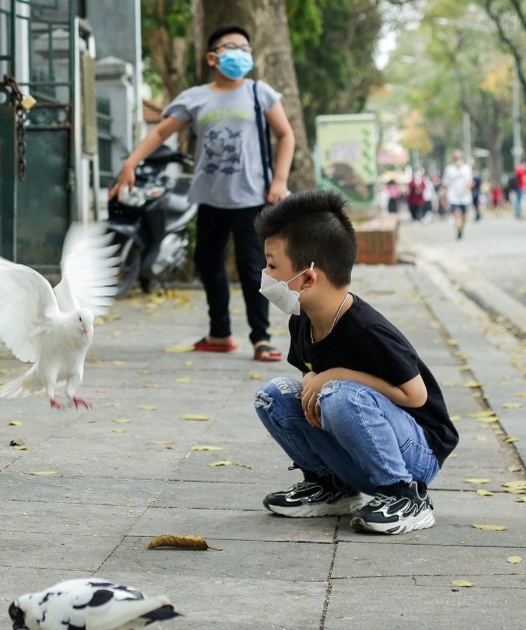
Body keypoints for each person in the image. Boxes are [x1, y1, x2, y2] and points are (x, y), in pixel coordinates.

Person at [253, 190, 457, 535]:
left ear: (308, 277)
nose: (265, 274)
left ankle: (404, 496)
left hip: (417, 452)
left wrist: (337, 375)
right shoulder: (302, 318)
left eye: (273, 265)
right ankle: (333, 485)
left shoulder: (368, 330)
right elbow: (309, 370)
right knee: (273, 395)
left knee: (338, 394)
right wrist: (314, 378)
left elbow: (416, 396)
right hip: (359, 435)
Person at [109, 25, 295, 362]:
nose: (240, 52)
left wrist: (279, 180)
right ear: (213, 57)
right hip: (210, 196)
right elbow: (161, 131)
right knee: (207, 262)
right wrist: (130, 164)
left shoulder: (259, 93)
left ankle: (261, 338)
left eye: (245, 48)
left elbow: (286, 135)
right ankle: (219, 333)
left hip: (252, 197)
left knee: (252, 265)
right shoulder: (196, 97)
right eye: (231, 47)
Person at [441, 151, 473, 239]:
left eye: (459, 157)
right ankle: (457, 225)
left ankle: (461, 227)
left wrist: (467, 187)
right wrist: (443, 196)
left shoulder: (467, 168)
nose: (457, 160)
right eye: (456, 158)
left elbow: (470, 181)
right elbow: (445, 183)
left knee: (465, 216)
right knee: (455, 214)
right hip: (453, 196)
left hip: (465, 196)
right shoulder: (449, 169)